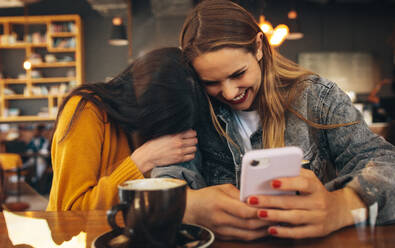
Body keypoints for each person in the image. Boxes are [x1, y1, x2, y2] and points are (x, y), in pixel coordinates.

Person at [152, 0, 395, 241]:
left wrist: (342, 206)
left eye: (238, 74)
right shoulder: (192, 108)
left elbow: (387, 166)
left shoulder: (319, 98)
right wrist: (188, 206)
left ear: (258, 47)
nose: (228, 93)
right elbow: (162, 182)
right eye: (211, 82)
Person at [47, 47, 198, 211]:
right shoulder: (86, 110)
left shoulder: (143, 127)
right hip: (79, 235)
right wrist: (142, 161)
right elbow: (70, 212)